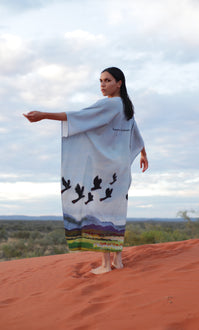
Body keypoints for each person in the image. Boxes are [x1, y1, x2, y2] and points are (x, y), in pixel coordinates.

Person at [23, 67, 148, 275]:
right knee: (114, 213)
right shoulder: (126, 107)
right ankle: (117, 260)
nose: (102, 84)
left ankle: (106, 265)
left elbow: (79, 116)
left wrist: (44, 115)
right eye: (100, 81)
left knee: (99, 211)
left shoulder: (111, 104)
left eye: (107, 80)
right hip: (121, 170)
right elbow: (136, 134)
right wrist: (143, 153)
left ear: (119, 83)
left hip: (106, 170)